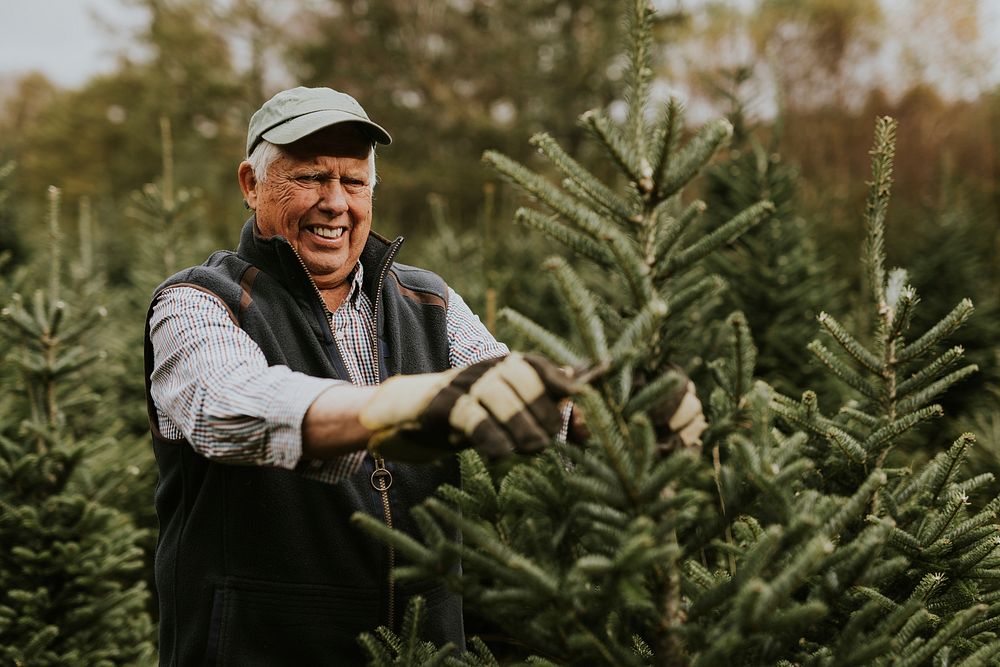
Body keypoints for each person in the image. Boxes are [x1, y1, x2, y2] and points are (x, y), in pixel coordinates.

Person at [144, 86, 704, 665]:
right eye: (310, 177)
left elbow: (506, 388)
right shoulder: (199, 303)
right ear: (251, 184)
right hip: (261, 649)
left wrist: (617, 409)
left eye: (354, 182)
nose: (335, 202)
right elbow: (229, 406)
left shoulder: (425, 300)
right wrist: (400, 407)